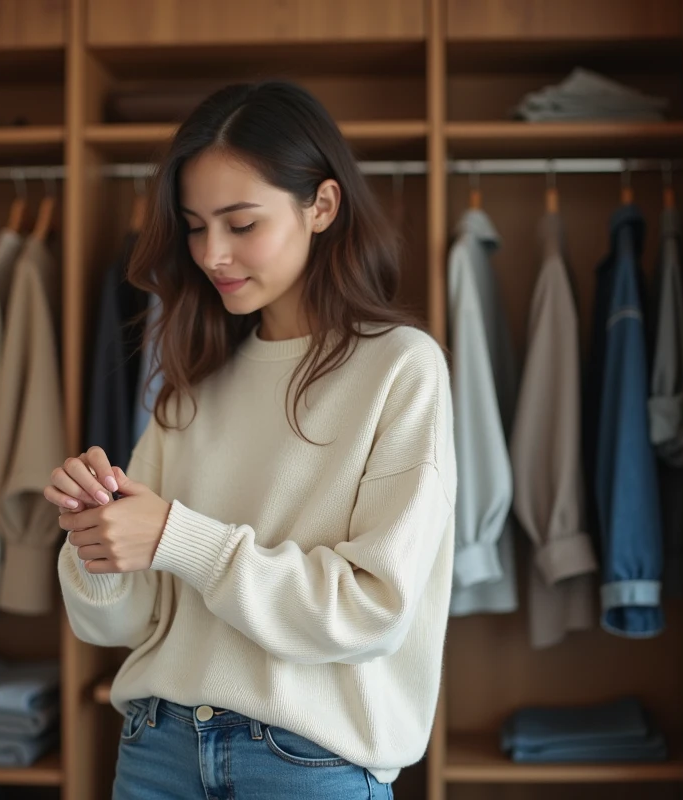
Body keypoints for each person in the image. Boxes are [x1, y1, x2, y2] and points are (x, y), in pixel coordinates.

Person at [49, 80, 457, 800]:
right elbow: (120, 622)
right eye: (195, 225)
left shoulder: (400, 367)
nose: (212, 254)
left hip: (307, 762)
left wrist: (178, 535)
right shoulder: (192, 386)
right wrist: (96, 539)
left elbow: (370, 611)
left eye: (241, 224)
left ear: (322, 206)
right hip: (156, 749)